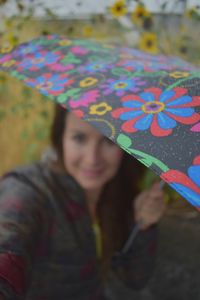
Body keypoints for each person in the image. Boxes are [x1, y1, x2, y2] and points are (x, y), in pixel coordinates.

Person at [0, 104, 165, 300]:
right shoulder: (31, 190)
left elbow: (134, 278)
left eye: (108, 141)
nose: (92, 158)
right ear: (60, 138)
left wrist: (143, 225)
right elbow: (9, 239)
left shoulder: (118, 193)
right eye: (79, 138)